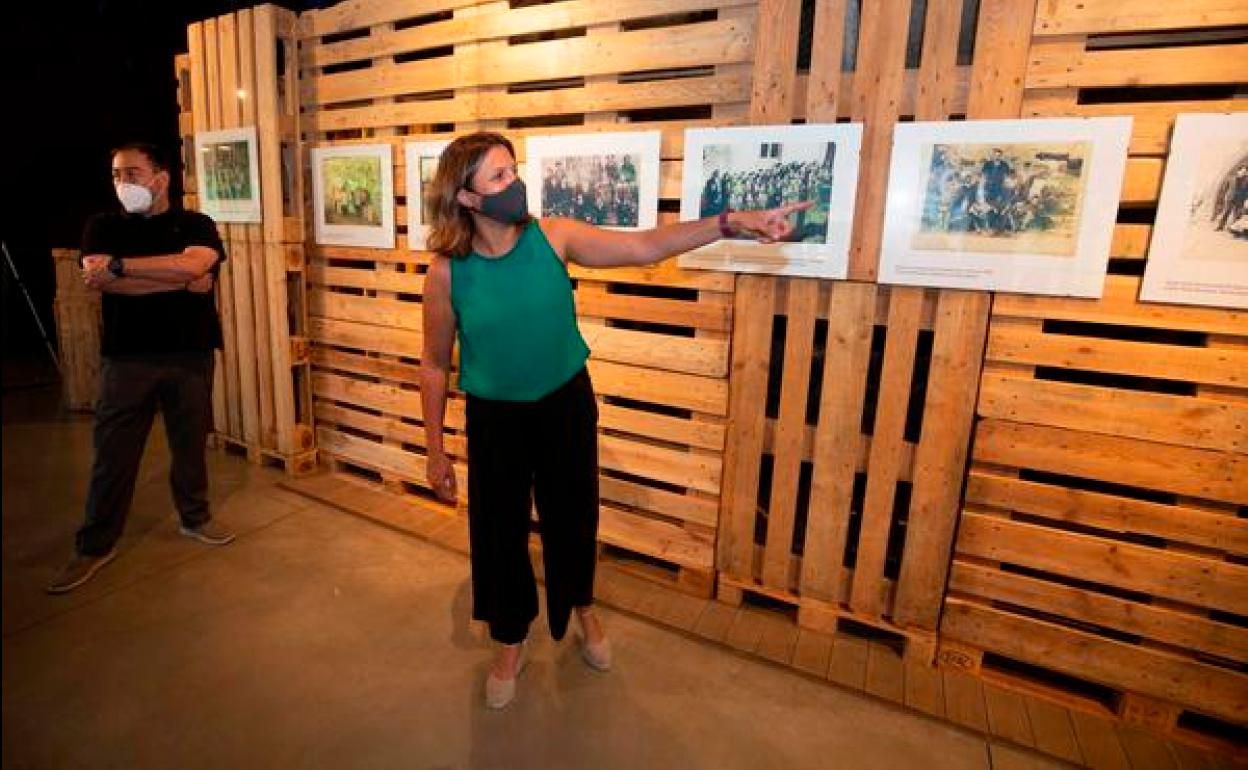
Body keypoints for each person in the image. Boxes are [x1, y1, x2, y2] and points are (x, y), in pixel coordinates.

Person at [419, 131, 809, 709]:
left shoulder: (553, 237)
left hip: (563, 403)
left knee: (573, 516)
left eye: (513, 170)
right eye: (498, 177)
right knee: (497, 533)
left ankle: (583, 607)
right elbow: (432, 365)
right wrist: (434, 448)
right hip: (495, 417)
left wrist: (731, 221)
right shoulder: (448, 274)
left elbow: (644, 245)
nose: (515, 184)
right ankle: (509, 637)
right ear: (468, 199)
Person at [46, 142, 234, 595]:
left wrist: (123, 269)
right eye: (116, 175)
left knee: (189, 444)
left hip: (189, 354)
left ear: (161, 178)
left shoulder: (196, 223)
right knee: (113, 454)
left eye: (132, 173)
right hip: (126, 359)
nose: (122, 184)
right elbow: (99, 279)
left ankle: (195, 517)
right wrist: (172, 277)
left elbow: (199, 267)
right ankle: (95, 545)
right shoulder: (103, 226)